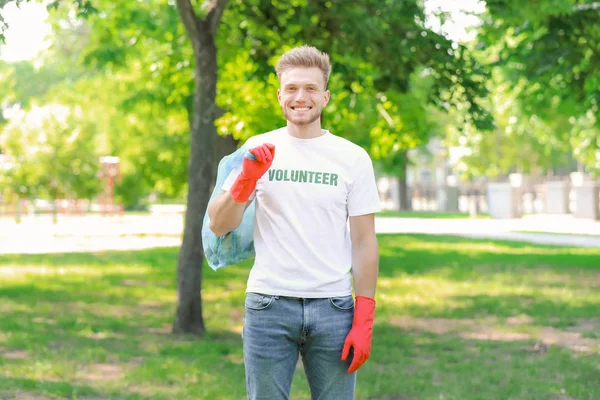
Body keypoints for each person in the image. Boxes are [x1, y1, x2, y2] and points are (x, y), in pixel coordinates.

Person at [207, 45, 380, 400]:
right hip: (268, 305)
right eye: (292, 88)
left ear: (326, 96)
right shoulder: (258, 148)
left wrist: (364, 316)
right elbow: (218, 225)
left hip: (333, 308)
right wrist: (246, 179)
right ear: (280, 95)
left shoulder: (353, 158)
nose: (301, 97)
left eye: (311, 88)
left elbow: (364, 241)